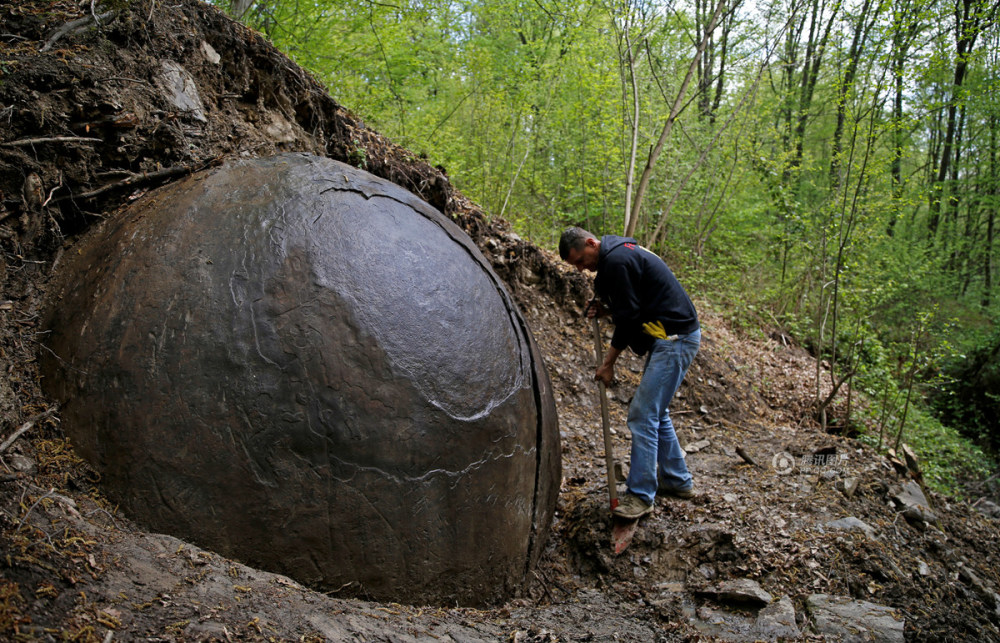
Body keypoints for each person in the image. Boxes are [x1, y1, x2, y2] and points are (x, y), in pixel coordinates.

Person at [559, 227, 701, 519]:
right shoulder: (621, 255)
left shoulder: (618, 260)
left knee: (642, 413)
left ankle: (640, 496)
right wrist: (607, 311)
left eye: (580, 260)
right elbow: (634, 304)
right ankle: (677, 481)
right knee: (655, 412)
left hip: (675, 339)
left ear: (590, 243)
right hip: (671, 336)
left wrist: (608, 362)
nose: (582, 269)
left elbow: (629, 318)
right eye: (576, 266)